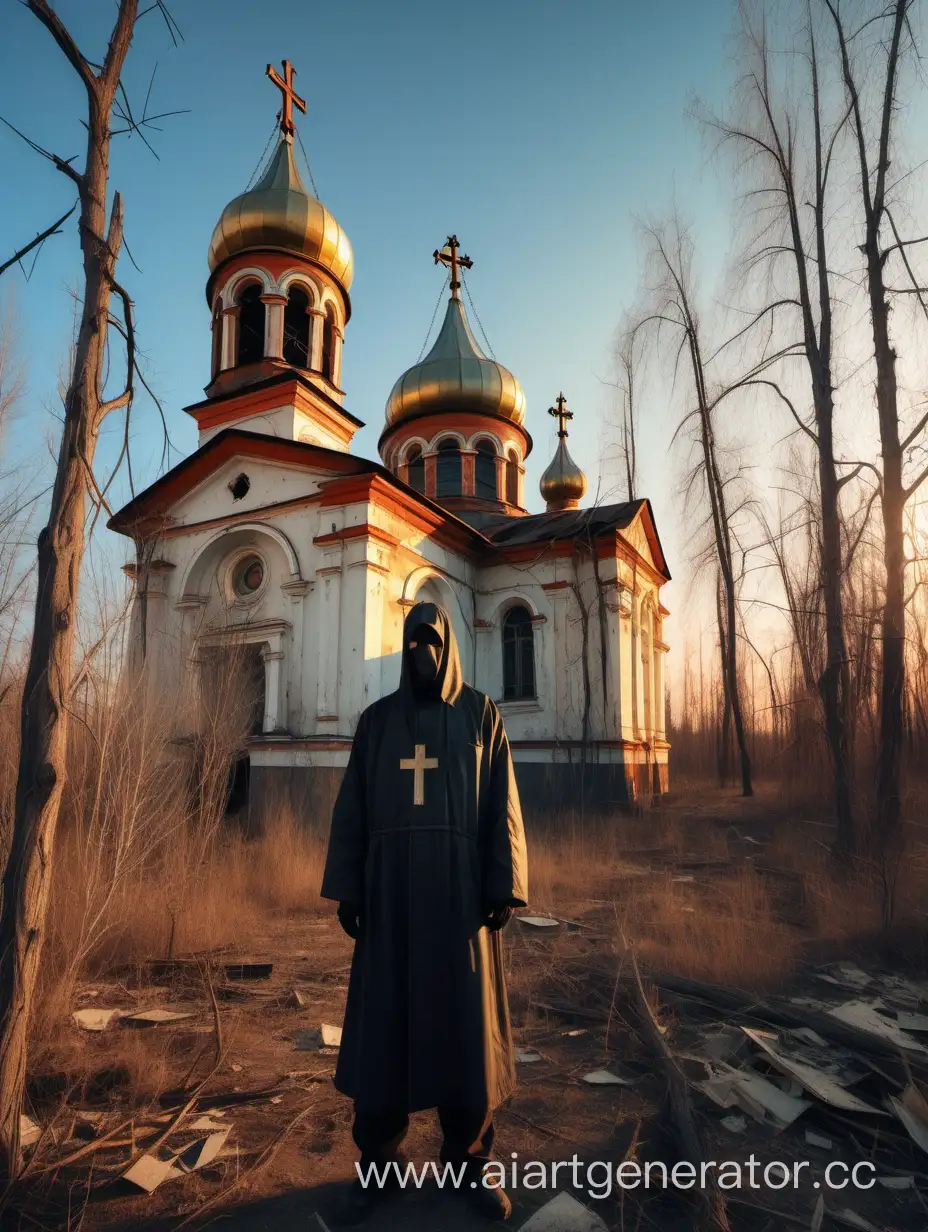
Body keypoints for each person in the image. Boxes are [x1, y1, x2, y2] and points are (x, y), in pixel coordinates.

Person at [321, 600, 528, 1225]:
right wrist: (350, 888)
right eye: (414, 643)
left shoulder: (480, 715)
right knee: (386, 1026)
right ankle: (380, 1166)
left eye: (433, 644)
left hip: (458, 905)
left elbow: (502, 806)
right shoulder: (377, 724)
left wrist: (503, 884)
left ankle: (467, 1165)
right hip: (391, 905)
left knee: (464, 1032)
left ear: (451, 649)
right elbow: (352, 808)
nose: (423, 655)